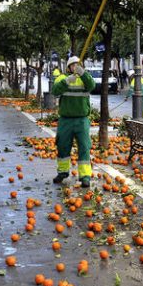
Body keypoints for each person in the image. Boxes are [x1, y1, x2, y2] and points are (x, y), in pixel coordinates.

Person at [51, 56, 95, 188]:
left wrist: (83, 74)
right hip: (65, 120)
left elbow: (91, 86)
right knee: (63, 146)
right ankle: (63, 173)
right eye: (73, 65)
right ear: (68, 67)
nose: (75, 67)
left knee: (84, 147)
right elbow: (55, 91)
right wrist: (66, 82)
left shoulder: (85, 77)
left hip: (81, 120)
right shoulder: (62, 78)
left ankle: (85, 176)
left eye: (77, 65)